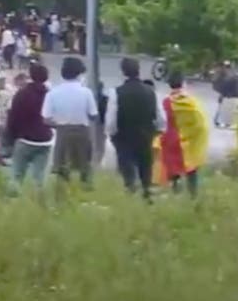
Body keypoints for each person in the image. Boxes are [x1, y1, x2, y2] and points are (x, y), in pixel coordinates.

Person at [105, 57, 164, 201]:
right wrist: (157, 130)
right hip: (145, 134)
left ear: (123, 72)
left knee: (127, 164)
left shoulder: (116, 92)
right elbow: (161, 117)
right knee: (145, 164)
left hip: (124, 135)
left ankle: (131, 190)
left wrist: (112, 133)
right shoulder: (151, 92)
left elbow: (111, 117)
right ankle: (147, 192)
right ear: (139, 70)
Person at [42, 56, 97, 189]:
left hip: (62, 131)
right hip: (82, 131)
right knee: (85, 164)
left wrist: (60, 122)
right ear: (79, 74)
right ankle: (86, 188)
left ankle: (62, 191)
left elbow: (46, 119)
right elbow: (93, 115)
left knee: (62, 165)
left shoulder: (53, 93)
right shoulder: (86, 92)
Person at [159, 70, 209, 198]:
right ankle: (193, 194)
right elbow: (201, 122)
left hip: (171, 140)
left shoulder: (166, 102)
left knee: (174, 169)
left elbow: (162, 121)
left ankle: (176, 193)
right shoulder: (192, 101)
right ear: (184, 83)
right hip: (188, 141)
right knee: (191, 168)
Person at [6, 63, 53, 194]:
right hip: (45, 140)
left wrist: (11, 137)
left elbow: (13, 117)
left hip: (24, 139)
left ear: (31, 76)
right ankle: (40, 201)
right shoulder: (49, 95)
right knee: (40, 177)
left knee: (16, 174)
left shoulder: (22, 94)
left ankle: (12, 201)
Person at [214, 61, 238, 129]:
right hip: (230, 97)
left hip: (231, 97)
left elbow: (222, 87)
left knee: (230, 110)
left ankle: (227, 123)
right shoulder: (227, 76)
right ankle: (225, 122)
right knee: (227, 110)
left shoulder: (231, 76)